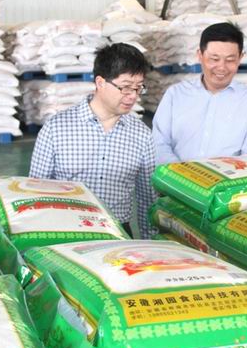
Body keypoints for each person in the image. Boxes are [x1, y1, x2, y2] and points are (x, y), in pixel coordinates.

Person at [29, 43, 157, 239]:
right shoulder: (57, 128)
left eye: (138, 88)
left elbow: (147, 199)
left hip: (119, 234)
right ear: (100, 82)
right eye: (125, 87)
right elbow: (36, 191)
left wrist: (151, 245)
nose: (133, 96)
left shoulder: (142, 135)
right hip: (67, 233)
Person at [152, 22, 247, 164]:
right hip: (174, 176)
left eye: (230, 60)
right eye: (214, 59)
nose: (221, 67)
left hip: (226, 178)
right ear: (200, 55)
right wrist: (180, 173)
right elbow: (159, 143)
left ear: (240, 58)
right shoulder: (175, 95)